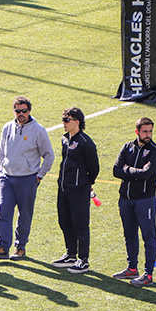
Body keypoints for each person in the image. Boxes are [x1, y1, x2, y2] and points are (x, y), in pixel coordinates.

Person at [0, 96, 54, 261]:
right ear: (13, 111)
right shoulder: (7, 127)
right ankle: (2, 247)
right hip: (7, 178)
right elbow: (1, 151)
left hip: (27, 179)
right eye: (18, 111)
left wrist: (39, 176)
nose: (21, 114)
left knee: (24, 215)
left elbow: (49, 156)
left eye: (24, 111)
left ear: (29, 111)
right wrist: (3, 168)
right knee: (3, 211)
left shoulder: (38, 130)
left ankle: (20, 247)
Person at [111, 117, 156, 287]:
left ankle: (148, 274)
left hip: (145, 200)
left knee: (149, 236)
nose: (148, 135)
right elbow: (116, 170)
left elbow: (146, 174)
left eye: (150, 131)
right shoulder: (127, 147)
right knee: (129, 235)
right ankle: (132, 268)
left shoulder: (155, 151)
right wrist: (133, 171)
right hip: (126, 200)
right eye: (145, 131)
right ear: (137, 131)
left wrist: (127, 169)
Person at [53, 107, 100, 274]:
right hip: (64, 188)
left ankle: (83, 259)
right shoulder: (65, 139)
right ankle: (71, 254)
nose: (64, 123)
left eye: (67, 120)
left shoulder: (86, 143)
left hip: (78, 190)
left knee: (80, 224)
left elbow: (94, 167)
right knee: (64, 221)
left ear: (77, 122)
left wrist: (85, 183)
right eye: (63, 120)